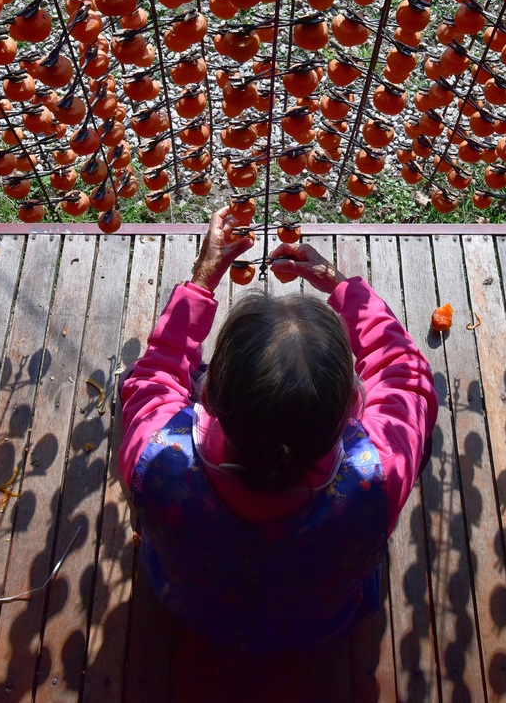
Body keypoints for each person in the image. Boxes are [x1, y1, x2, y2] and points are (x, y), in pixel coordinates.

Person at [118, 208, 438, 653]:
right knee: (419, 432)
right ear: (353, 405)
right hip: (320, 623)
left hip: (194, 608)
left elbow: (154, 375)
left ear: (206, 394)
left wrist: (201, 282)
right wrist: (343, 288)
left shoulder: (155, 458)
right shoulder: (378, 476)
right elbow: (406, 373)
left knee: (132, 383)